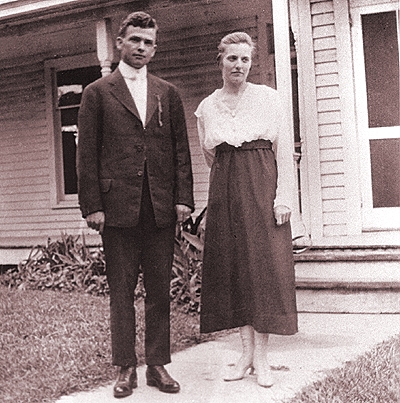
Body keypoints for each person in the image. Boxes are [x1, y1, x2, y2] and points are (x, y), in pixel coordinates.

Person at [77, 11, 194, 398]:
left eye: (148, 42)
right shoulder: (98, 92)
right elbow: (86, 154)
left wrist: (182, 199)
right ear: (120, 43)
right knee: (122, 290)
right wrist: (93, 205)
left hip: (159, 207)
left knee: (159, 289)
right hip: (116, 209)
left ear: (155, 48)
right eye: (135, 40)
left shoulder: (167, 92)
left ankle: (157, 365)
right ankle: (125, 367)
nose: (141, 47)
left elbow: (180, 150)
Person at [195, 32, 298, 388]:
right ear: (220, 61)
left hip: (262, 184)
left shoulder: (268, 99)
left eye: (245, 60)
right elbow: (210, 156)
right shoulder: (207, 107)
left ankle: (263, 359)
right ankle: (245, 355)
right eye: (232, 59)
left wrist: (283, 197)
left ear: (251, 64)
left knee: (264, 269)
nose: (238, 65)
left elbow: (283, 151)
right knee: (236, 268)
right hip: (225, 188)